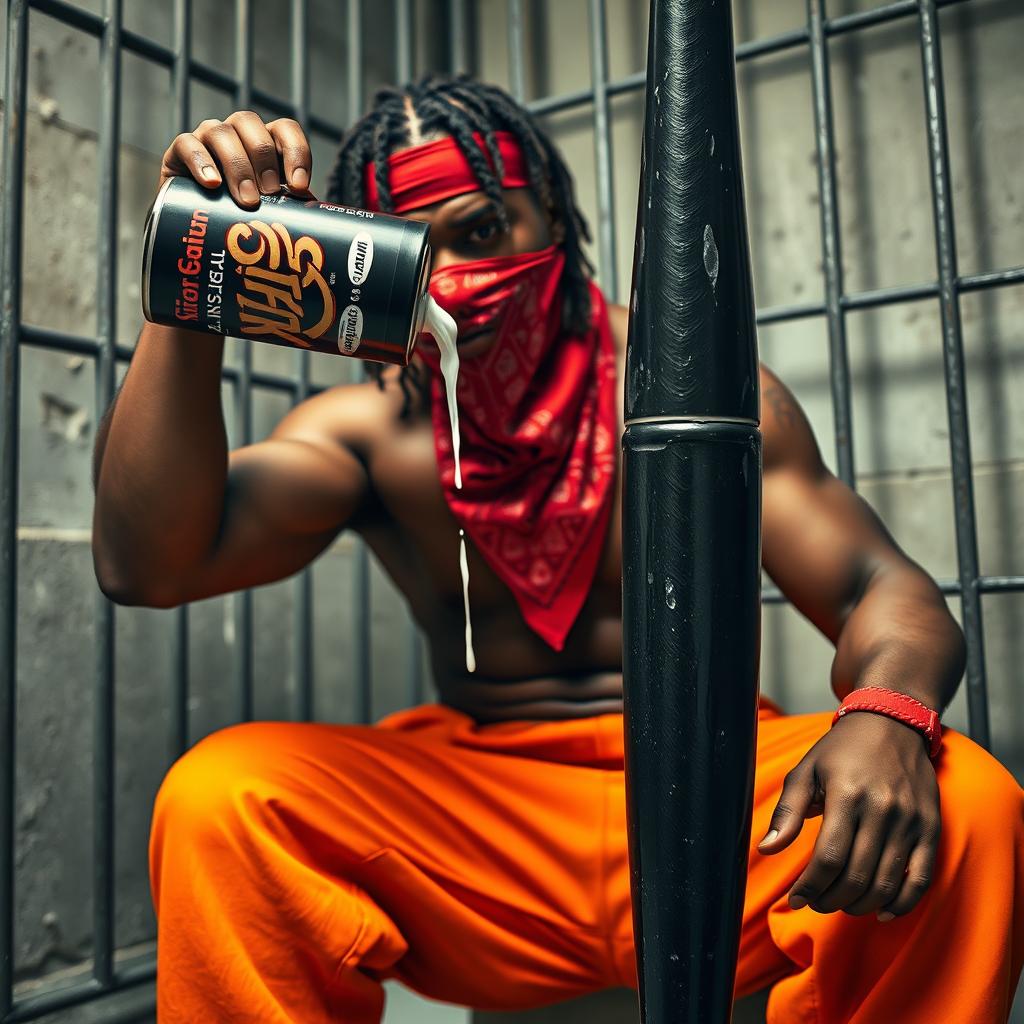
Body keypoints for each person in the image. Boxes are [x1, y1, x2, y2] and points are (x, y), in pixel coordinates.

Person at [91, 72, 1024, 1023]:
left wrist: (887, 713)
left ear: (552, 211)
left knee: (971, 805)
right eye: (420, 246)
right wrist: (191, 275)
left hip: (720, 805)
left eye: (485, 229)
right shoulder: (364, 434)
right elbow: (149, 564)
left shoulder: (697, 387)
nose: (454, 278)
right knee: (222, 796)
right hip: (485, 838)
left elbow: (876, 582)